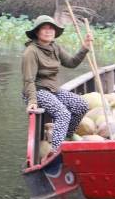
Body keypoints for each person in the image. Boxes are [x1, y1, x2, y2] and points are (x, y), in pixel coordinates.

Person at [22, 15, 93, 154]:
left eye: (51, 28)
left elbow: (72, 63)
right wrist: (32, 100)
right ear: (37, 32)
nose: (49, 31)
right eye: (44, 28)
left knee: (81, 105)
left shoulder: (55, 47)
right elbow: (28, 80)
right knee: (63, 114)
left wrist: (84, 48)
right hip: (37, 91)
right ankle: (55, 152)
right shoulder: (30, 52)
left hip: (53, 90)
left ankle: (65, 136)